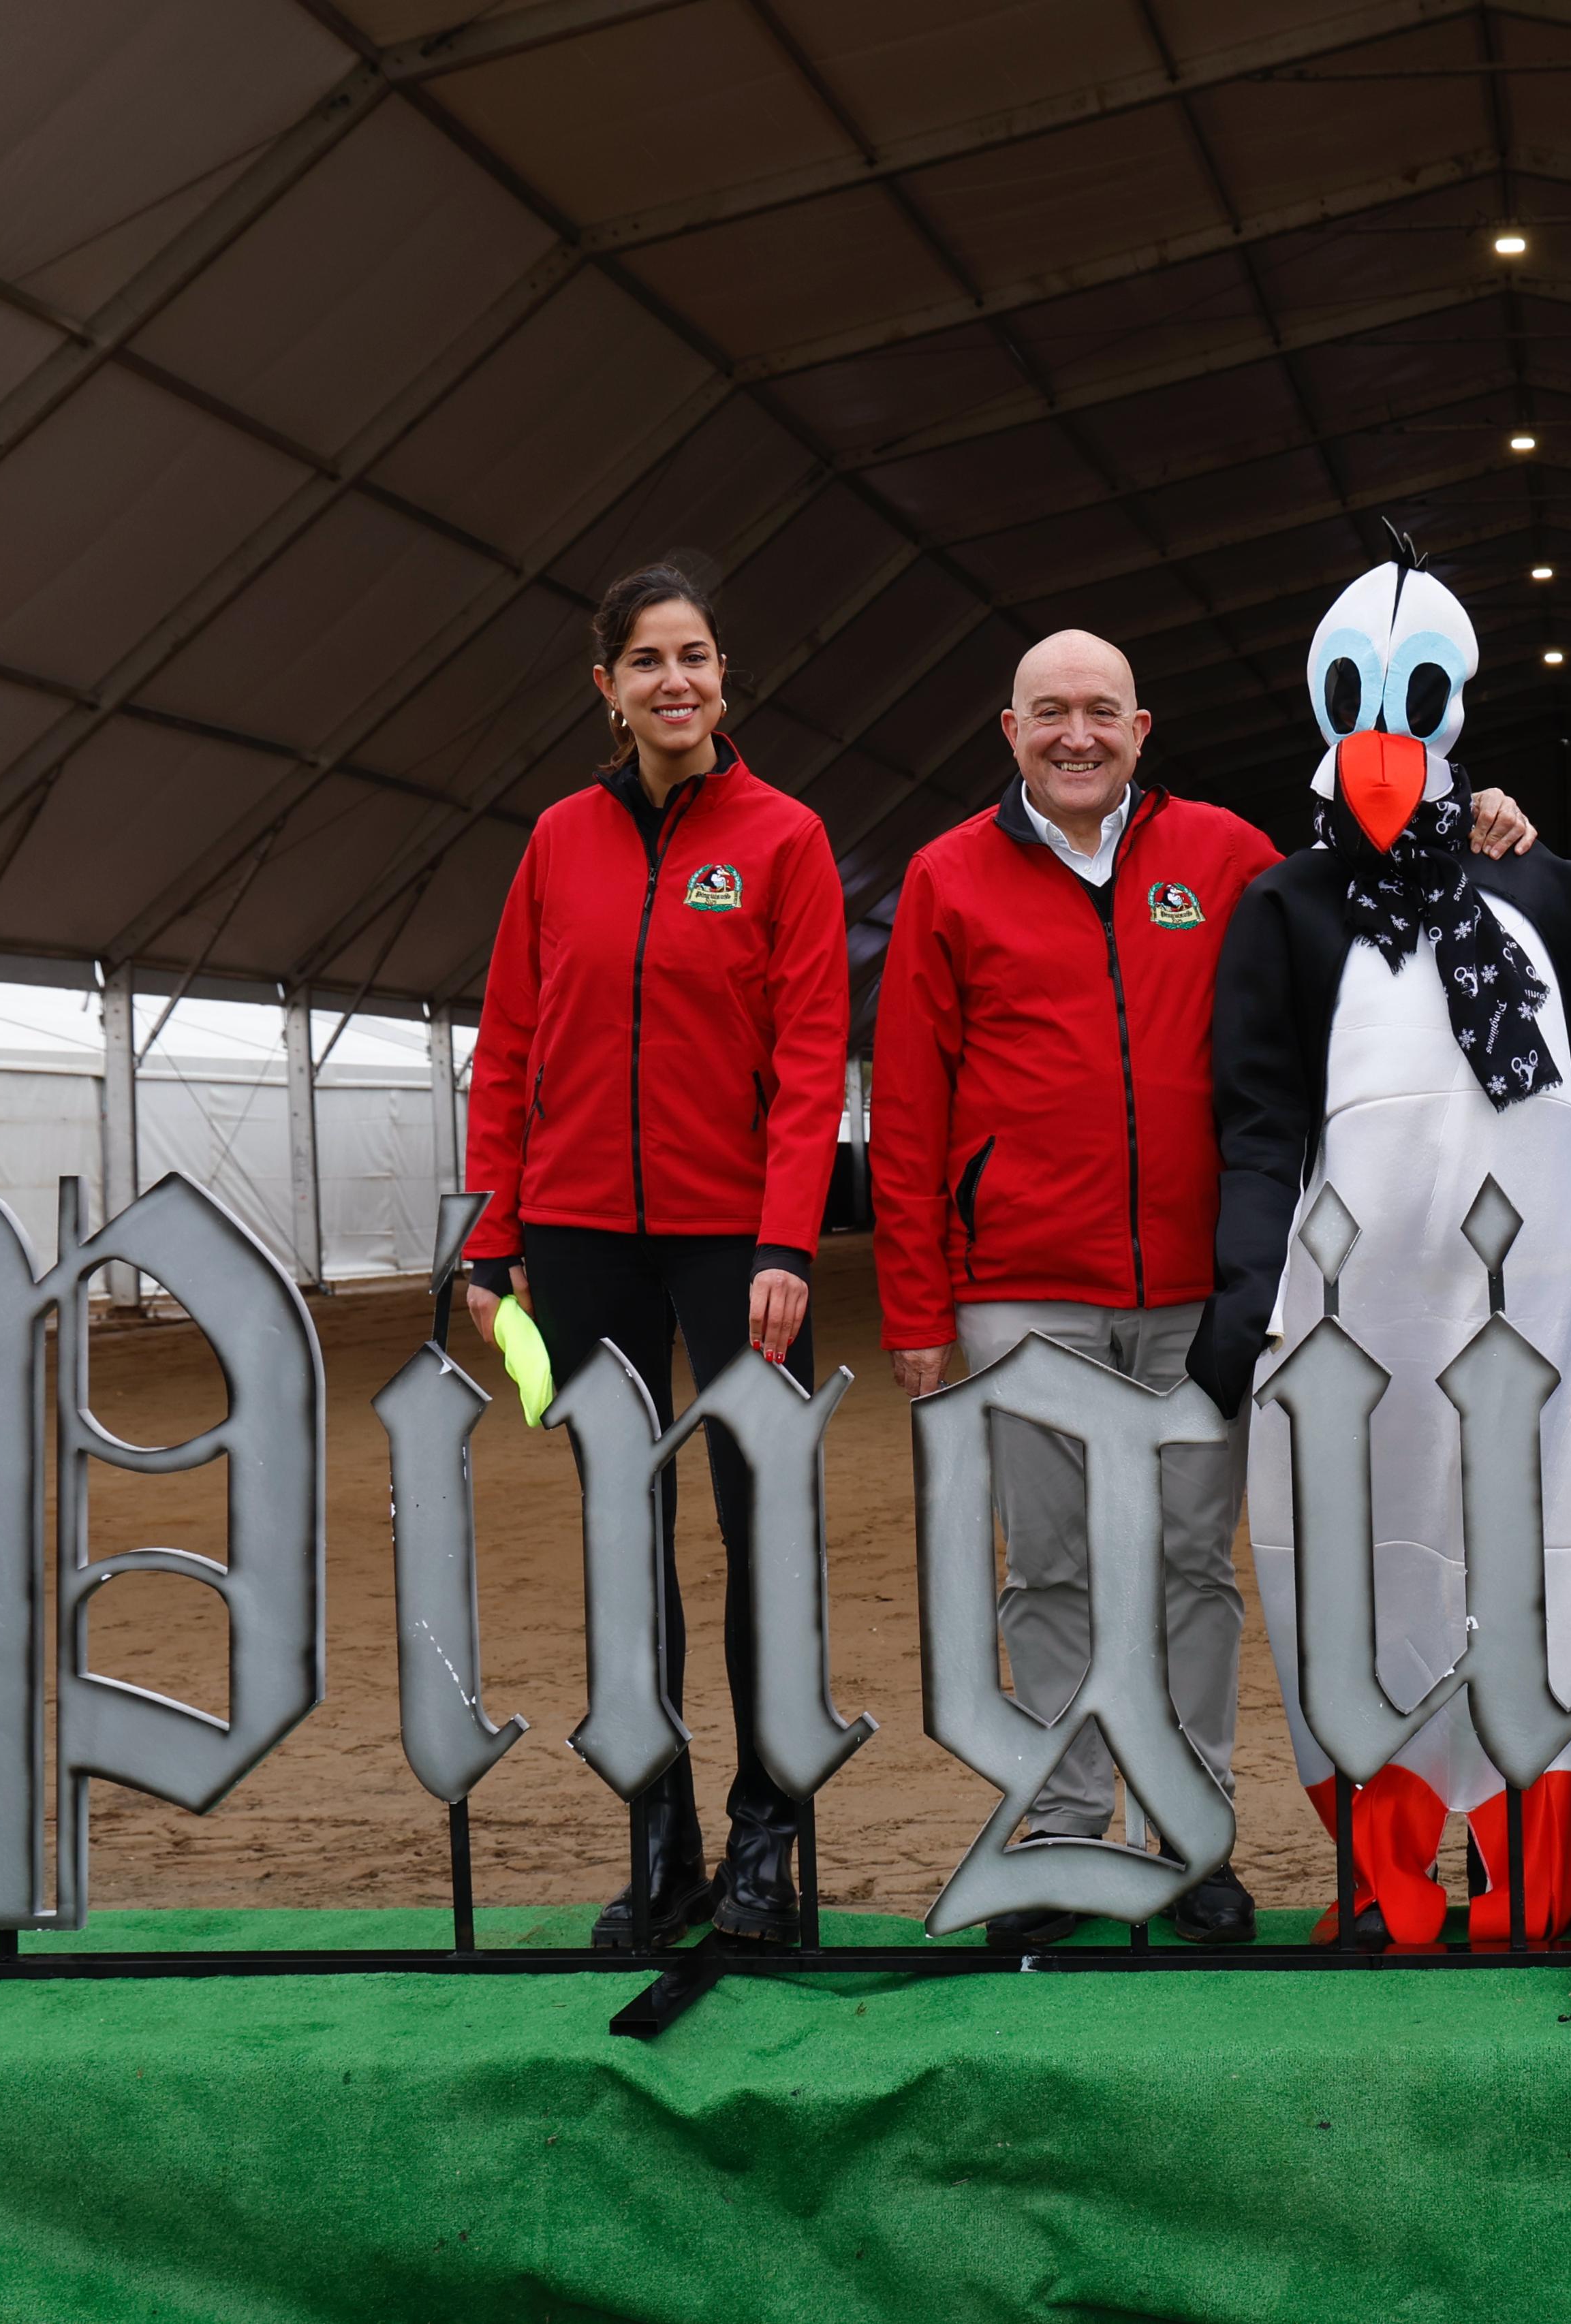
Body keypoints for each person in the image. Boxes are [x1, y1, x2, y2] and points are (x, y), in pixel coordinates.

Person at [872, 625, 1537, 1947]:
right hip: (1021, 1289)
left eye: (1101, 711)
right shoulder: (947, 876)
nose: (1076, 734)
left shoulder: (1226, 855)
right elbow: (907, 1101)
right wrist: (916, 1306)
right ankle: (1064, 1829)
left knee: (1190, 1565)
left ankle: (1188, 1833)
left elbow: (1370, 904)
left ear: (1141, 728)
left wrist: (1470, 825)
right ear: (1010, 731)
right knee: (1051, 1568)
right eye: (1050, 712)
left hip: (1201, 1294)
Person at [1191, 552, 1571, 1945]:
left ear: (1453, 702)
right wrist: (1245, 1292)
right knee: (1359, 1568)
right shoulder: (1286, 905)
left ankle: (1528, 1864)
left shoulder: (1537, 887)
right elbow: (1258, 1118)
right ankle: (1388, 1873)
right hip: (1350, 1320)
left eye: (1410, 692)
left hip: (1545, 1313)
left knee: (1548, 1559)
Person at [463, 563, 848, 1949]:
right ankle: (662, 1835)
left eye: (694, 656)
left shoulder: (786, 837)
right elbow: (508, 1042)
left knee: (764, 1534)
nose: (674, 681)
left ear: (723, 675)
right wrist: (490, 1233)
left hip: (738, 1241)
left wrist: (787, 1236)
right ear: (607, 688)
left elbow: (811, 1055)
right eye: (646, 661)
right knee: (625, 1538)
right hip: (580, 1235)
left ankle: (765, 1839)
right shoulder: (558, 840)